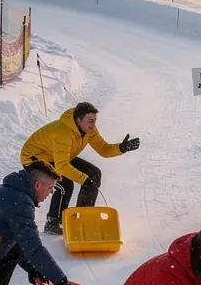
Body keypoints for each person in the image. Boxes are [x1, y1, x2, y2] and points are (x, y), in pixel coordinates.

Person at [20, 101, 140, 236]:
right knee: (65, 184)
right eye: (90, 120)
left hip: (57, 155)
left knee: (94, 174)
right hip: (34, 159)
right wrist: (83, 179)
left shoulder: (90, 130)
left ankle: (82, 218)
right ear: (79, 120)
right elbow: (62, 166)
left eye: (95, 120)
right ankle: (52, 223)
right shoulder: (63, 132)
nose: (93, 124)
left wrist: (122, 148)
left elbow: (103, 149)